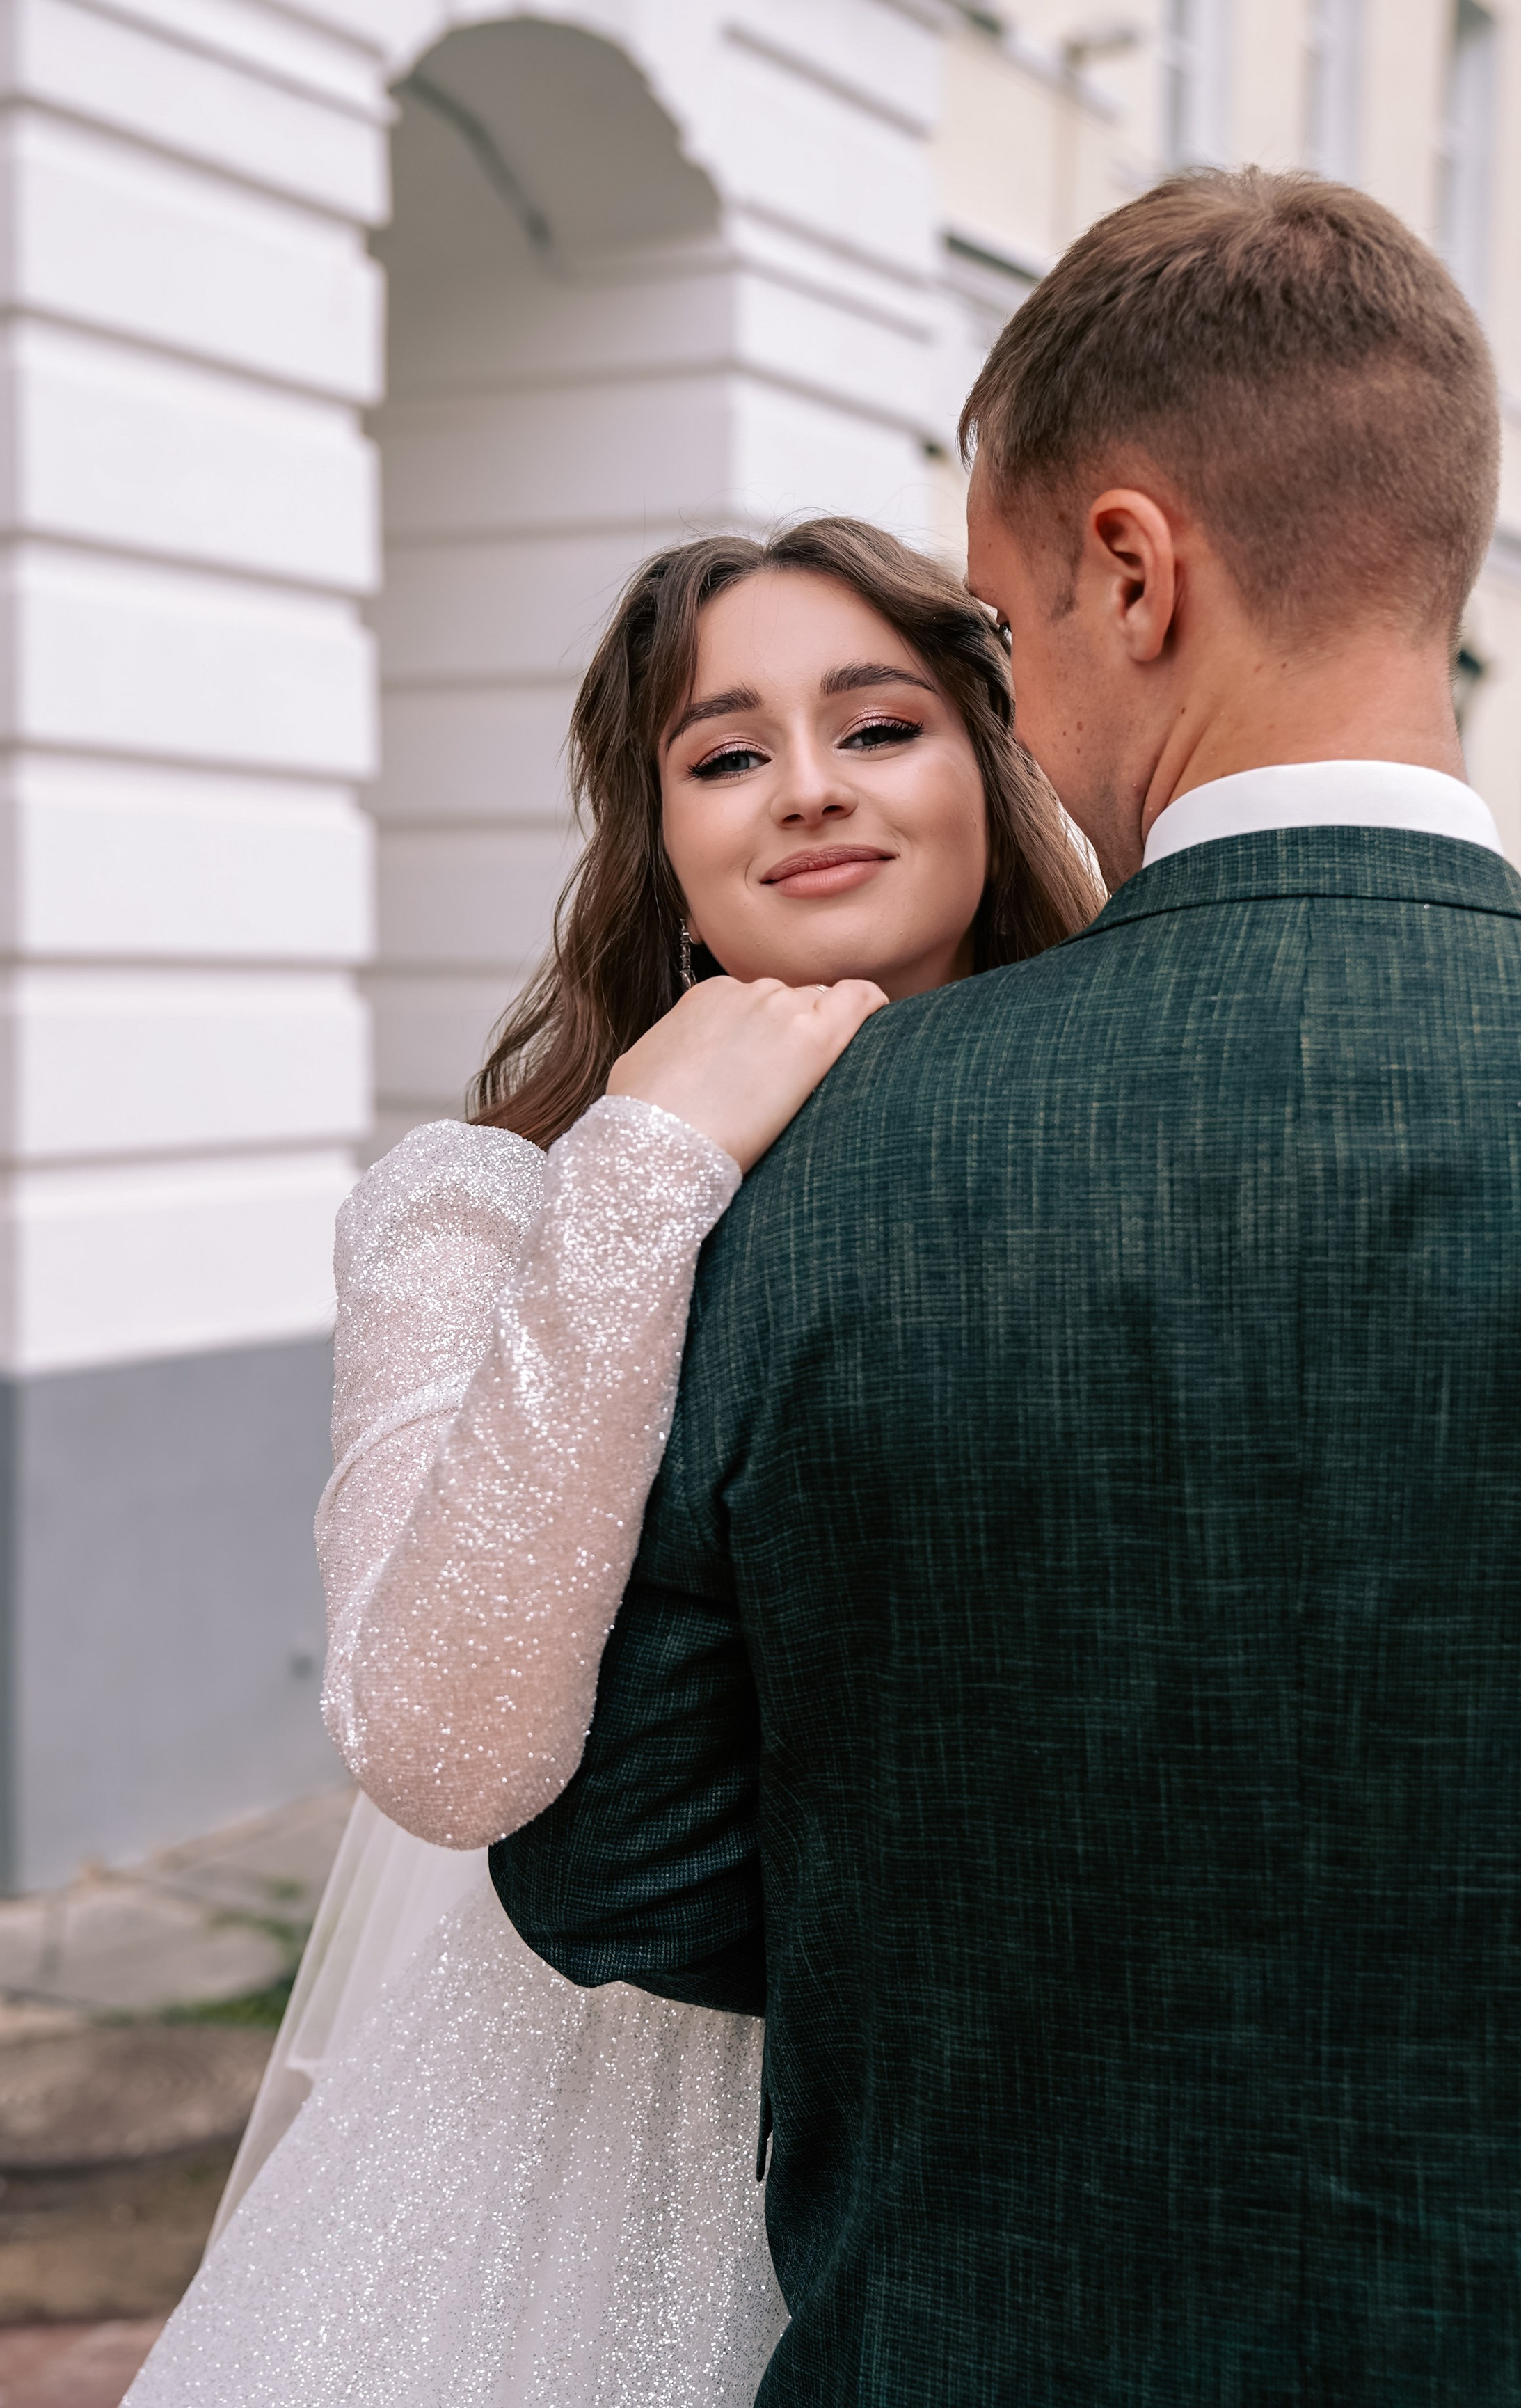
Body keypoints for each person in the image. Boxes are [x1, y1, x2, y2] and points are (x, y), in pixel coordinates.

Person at [493, 169, 1521, 2402]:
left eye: (1002, 632)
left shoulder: (815, 1154)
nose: (1017, 712)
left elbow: (620, 1871)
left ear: (1134, 573)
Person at [122, 520, 1097, 2408]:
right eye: (726, 755)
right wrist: (642, 1181)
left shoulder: (1119, 1140)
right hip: (594, 2147)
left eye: (878, 727)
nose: (806, 789)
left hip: (1015, 2125)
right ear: (661, 842)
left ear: (991, 761)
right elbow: (442, 1746)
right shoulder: (478, 1212)